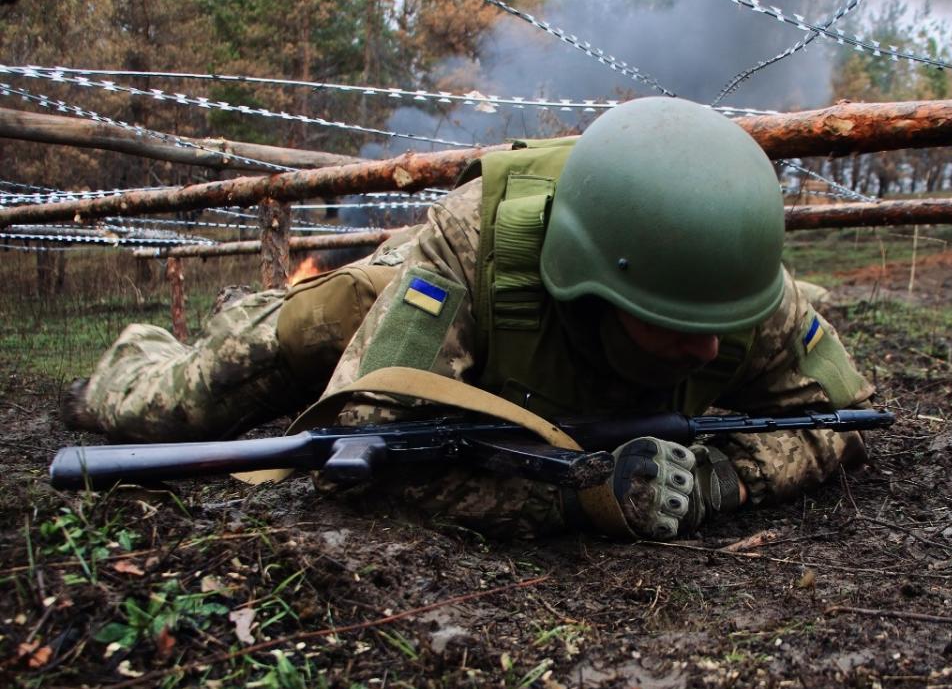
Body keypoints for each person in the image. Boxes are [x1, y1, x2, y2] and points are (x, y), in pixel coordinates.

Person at [63, 97, 875, 540]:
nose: (708, 348)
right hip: (406, 290)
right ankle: (156, 343)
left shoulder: (735, 288)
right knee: (191, 400)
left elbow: (844, 418)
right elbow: (369, 461)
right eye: (671, 323)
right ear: (591, 288)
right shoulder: (471, 243)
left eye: (722, 324)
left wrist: (726, 477)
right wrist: (574, 499)